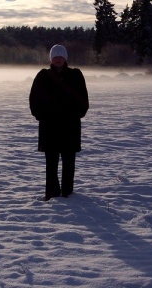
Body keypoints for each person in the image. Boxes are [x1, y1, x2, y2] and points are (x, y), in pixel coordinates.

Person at [29, 44, 89, 201]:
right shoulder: (43, 76)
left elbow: (83, 99)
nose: (57, 59)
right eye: (55, 57)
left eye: (60, 57)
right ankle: (52, 193)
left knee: (69, 162)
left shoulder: (75, 75)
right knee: (51, 162)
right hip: (50, 126)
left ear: (65, 58)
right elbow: (34, 99)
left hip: (70, 126)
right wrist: (40, 116)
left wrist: (76, 114)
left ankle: (68, 193)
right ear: (51, 59)